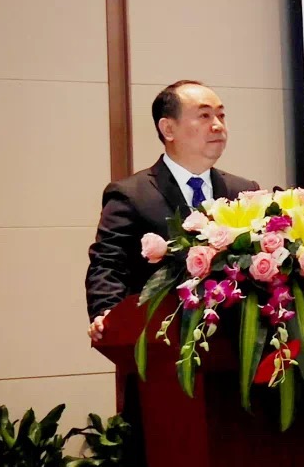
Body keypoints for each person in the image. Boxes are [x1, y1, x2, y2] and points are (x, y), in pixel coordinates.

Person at [86, 80, 260, 341]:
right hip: (162, 341)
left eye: (221, 115)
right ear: (168, 128)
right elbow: (109, 263)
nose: (217, 125)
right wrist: (107, 313)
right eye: (204, 115)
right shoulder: (131, 195)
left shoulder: (244, 191)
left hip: (234, 343)